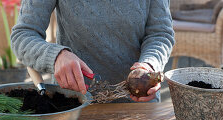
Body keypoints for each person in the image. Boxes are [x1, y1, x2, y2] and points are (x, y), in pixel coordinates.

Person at [11, 0, 175, 103]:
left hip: (138, 106)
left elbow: (160, 34)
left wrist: (150, 64)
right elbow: (23, 36)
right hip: (74, 105)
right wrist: (56, 56)